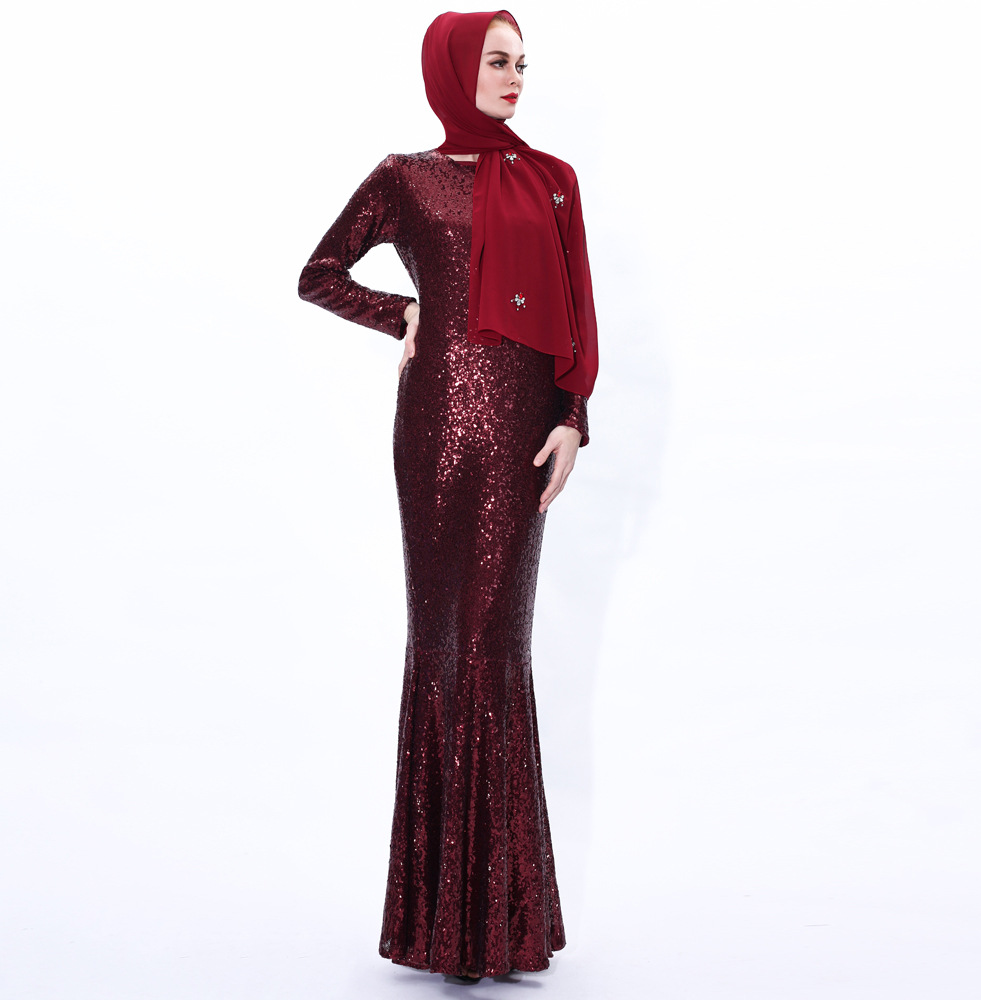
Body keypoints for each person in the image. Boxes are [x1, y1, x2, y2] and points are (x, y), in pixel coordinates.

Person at [297, 9, 599, 982]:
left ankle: (500, 921)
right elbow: (318, 274)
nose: (516, 77)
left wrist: (573, 416)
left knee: (497, 642)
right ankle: (443, 924)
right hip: (433, 432)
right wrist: (403, 312)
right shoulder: (404, 178)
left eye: (523, 63)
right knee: (441, 639)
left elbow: (576, 309)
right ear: (453, 68)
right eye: (497, 61)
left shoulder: (553, 181)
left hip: (522, 434)